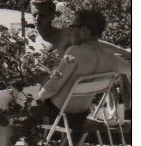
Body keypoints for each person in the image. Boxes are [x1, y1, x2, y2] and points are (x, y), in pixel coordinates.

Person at [33, 9, 131, 138]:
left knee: (17, 101)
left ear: (84, 31)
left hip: (57, 115)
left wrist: (35, 101)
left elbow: (51, 88)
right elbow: (129, 68)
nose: (69, 31)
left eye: (72, 27)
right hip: (79, 117)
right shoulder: (110, 59)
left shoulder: (75, 51)